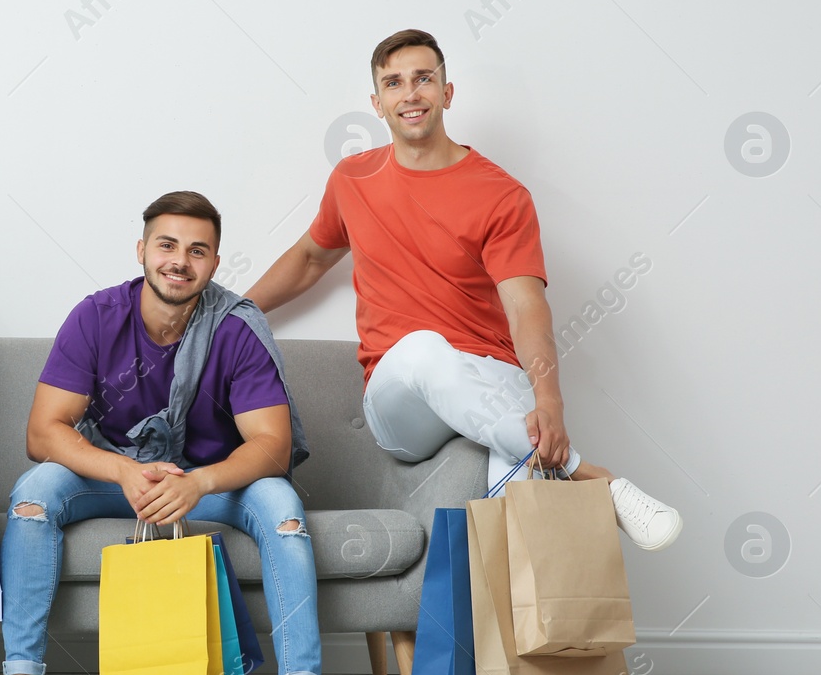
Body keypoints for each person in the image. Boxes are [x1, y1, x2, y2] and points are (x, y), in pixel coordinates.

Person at [247, 29, 681, 550]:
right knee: (425, 349)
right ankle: (595, 478)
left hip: (489, 376)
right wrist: (235, 310)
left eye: (423, 79)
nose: (410, 94)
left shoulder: (501, 195)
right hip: (400, 400)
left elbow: (526, 306)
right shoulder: (353, 179)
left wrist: (549, 401)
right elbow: (311, 257)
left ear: (447, 93)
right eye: (394, 83)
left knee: (514, 485)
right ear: (377, 103)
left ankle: (509, 630)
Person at [0, 191, 351, 675]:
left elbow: (272, 448)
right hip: (116, 473)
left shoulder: (235, 327)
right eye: (167, 245)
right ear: (142, 250)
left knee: (283, 506)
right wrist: (123, 470)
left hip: (211, 484)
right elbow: (43, 433)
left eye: (198, 250)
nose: (180, 260)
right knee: (33, 495)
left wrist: (198, 483)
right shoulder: (97, 316)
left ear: (216, 263)